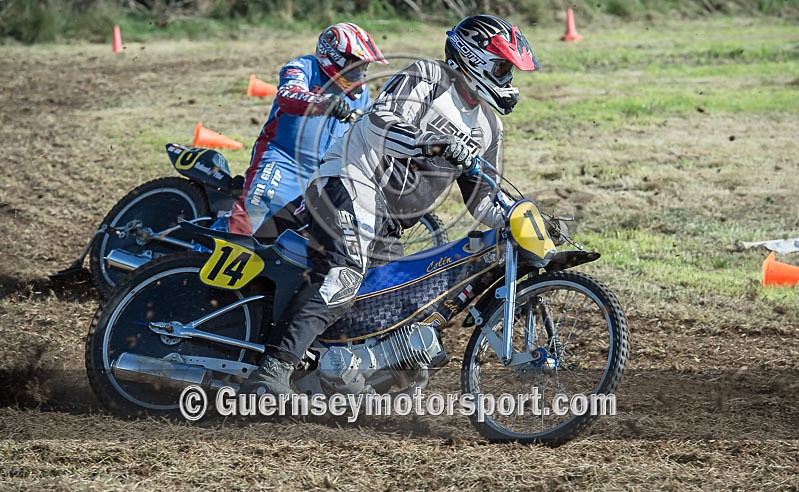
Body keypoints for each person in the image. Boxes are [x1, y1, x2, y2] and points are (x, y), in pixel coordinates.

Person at [241, 14, 540, 396]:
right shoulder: (429, 78)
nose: (508, 80)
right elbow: (383, 121)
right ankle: (271, 371)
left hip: (389, 223)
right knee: (343, 276)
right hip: (349, 181)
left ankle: (326, 379)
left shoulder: (489, 127)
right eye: (502, 67)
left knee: (389, 309)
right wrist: (433, 143)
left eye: (511, 71)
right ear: (473, 57)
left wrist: (520, 220)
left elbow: (484, 199)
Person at [220, 22, 387, 238]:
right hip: (283, 158)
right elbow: (288, 95)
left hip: (323, 174)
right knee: (250, 218)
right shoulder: (303, 66)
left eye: (363, 68)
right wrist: (325, 103)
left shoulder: (360, 93)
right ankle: (201, 256)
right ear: (334, 57)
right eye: (356, 66)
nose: (360, 74)